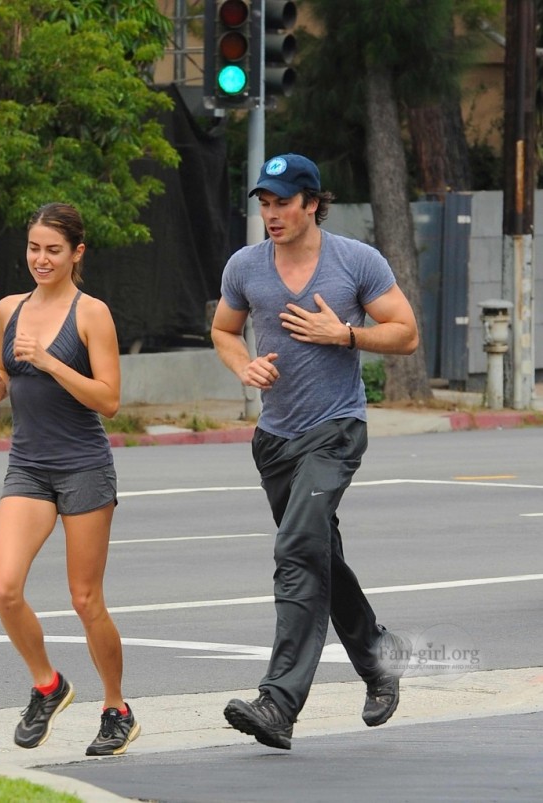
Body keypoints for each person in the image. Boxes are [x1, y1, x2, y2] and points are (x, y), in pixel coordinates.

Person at [211, 153, 416, 750]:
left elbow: (404, 332)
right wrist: (241, 365)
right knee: (319, 555)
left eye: (282, 202)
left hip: (335, 428)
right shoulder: (245, 266)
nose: (271, 214)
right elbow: (224, 330)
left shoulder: (356, 261)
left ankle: (278, 703)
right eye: (264, 203)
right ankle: (379, 659)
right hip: (275, 440)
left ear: (311, 202)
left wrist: (345, 333)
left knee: (298, 546)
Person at [0, 202, 140, 757]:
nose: (41, 259)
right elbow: (3, 374)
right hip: (27, 465)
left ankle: (116, 709)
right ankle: (48, 685)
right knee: (4, 587)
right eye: (33, 248)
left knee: (85, 598)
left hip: (83, 467)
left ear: (77, 254)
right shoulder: (8, 309)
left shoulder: (92, 314)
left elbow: (111, 401)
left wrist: (50, 361)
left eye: (53, 250)